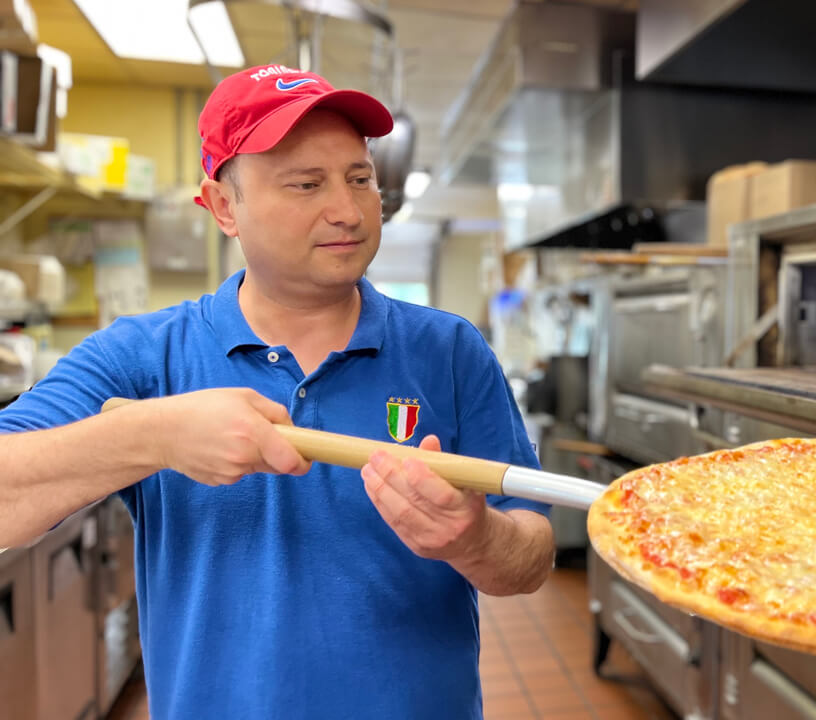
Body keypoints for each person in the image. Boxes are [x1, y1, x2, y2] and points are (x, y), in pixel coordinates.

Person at [0, 65, 554, 719]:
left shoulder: (451, 351)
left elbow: (534, 554)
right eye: (306, 184)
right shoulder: (143, 359)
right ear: (225, 206)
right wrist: (154, 435)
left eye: (360, 178)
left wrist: (475, 540)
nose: (348, 211)